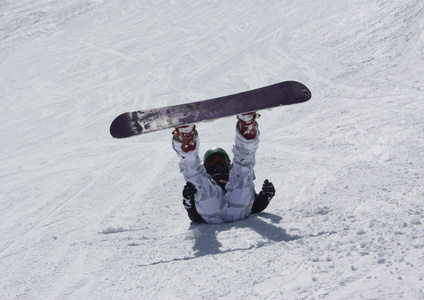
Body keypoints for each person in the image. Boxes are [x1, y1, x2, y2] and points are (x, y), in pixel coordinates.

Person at [172, 112, 275, 224]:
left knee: (241, 170)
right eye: (213, 162)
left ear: (228, 163)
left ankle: (247, 128)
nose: (217, 165)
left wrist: (264, 197)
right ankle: (187, 140)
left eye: (221, 161)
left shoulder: (233, 176)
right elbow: (195, 218)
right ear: (206, 167)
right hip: (231, 211)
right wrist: (189, 200)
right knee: (199, 179)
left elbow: (253, 206)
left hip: (215, 213)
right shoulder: (208, 180)